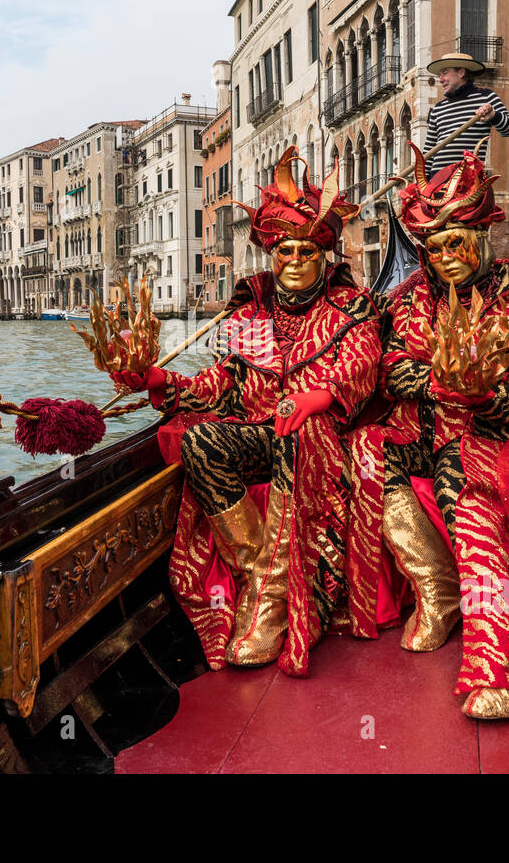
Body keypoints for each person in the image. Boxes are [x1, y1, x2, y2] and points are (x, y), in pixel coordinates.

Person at [343, 142, 509, 719]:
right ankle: (437, 591)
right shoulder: (412, 305)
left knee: (477, 489)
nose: (444, 258)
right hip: (423, 429)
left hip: (499, 438)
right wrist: (446, 382)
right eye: (432, 249)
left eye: (455, 242)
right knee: (364, 450)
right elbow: (393, 366)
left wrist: (485, 393)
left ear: (480, 238)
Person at [111, 147, 381, 677]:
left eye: (307, 250)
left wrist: (315, 398)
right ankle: (264, 575)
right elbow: (226, 384)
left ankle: (272, 605)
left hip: (324, 444)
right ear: (271, 253)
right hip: (264, 437)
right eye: (285, 250)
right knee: (200, 441)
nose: (297, 260)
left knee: (297, 431)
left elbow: (360, 364)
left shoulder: (351, 307)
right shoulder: (252, 312)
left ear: (324, 254)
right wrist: (163, 382)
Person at [422, 51, 509, 179]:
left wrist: (494, 116)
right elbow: (428, 153)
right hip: (438, 181)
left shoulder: (486, 97)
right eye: (440, 74)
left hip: (468, 179)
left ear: (461, 73)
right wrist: (422, 184)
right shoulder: (438, 108)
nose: (440, 79)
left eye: (445, 73)